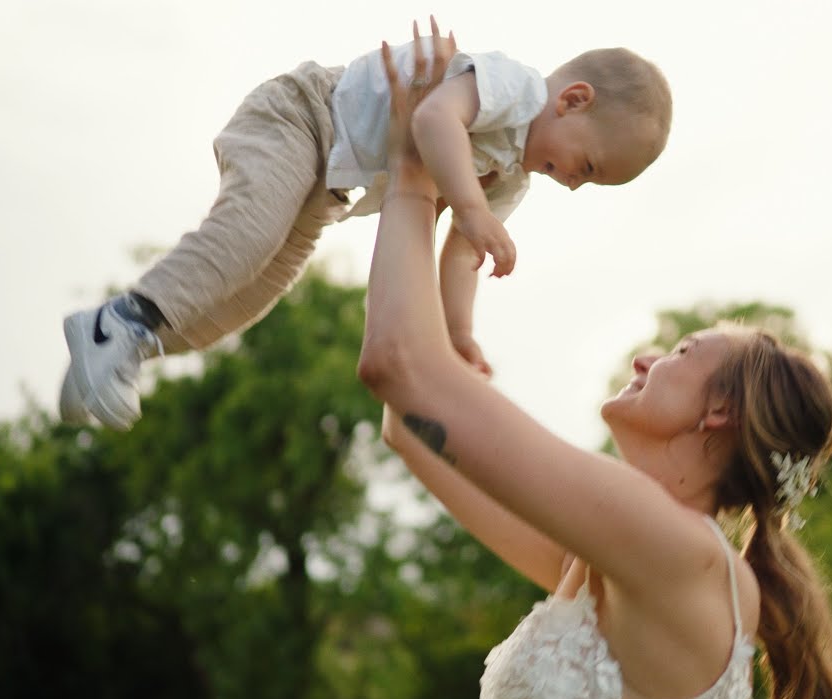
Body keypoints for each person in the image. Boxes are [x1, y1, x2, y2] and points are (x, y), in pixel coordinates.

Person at [358, 24, 832, 699]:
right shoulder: (620, 556)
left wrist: (411, 168)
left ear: (719, 414)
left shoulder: (677, 549)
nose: (647, 358)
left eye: (682, 354)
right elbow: (410, 425)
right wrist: (446, 262)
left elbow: (398, 371)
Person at [59, 20, 673, 431]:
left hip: (328, 186)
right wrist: (471, 207)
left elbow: (461, 256)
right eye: (586, 166)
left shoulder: (512, 176)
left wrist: (458, 332)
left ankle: (126, 350)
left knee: (252, 295)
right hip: (303, 118)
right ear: (573, 100)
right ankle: (119, 324)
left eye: (588, 183)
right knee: (245, 239)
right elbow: (434, 120)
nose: (572, 182)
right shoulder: (513, 89)